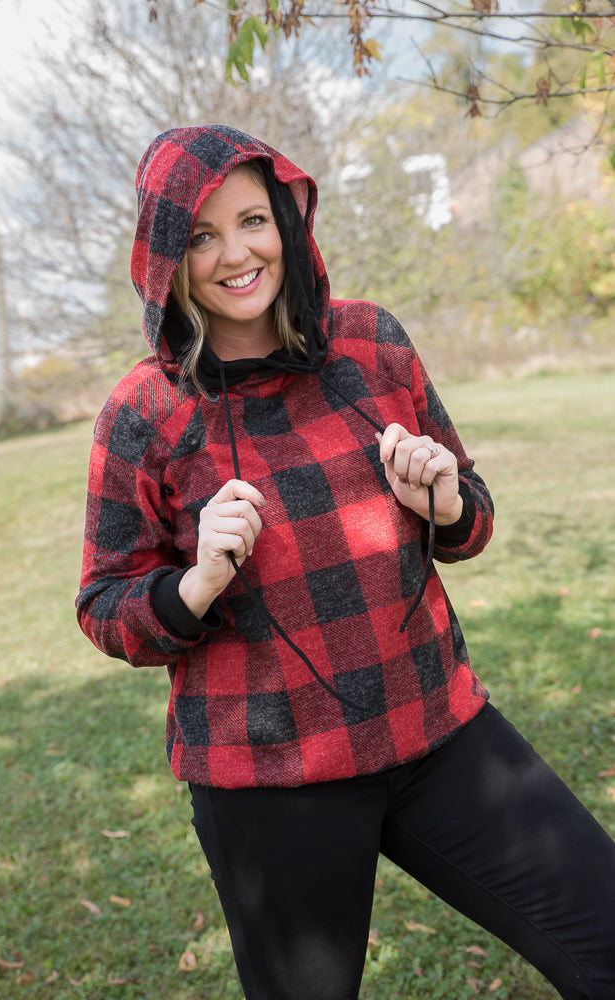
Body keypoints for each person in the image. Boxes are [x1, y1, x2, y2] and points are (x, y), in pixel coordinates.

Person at [76, 124, 615, 1000]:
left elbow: (471, 515)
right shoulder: (145, 410)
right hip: (272, 777)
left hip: (438, 730)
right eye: (200, 236)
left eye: (252, 220)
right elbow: (104, 606)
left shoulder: (372, 344)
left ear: (288, 219)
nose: (234, 254)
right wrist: (196, 582)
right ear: (164, 259)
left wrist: (445, 502)